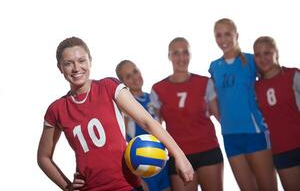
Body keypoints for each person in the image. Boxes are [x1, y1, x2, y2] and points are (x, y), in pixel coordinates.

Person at [37, 37, 194, 191]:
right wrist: (67, 186)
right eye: (68, 63)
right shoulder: (56, 109)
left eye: (81, 60)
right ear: (60, 67)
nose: (76, 68)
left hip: (127, 186)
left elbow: (147, 122)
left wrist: (180, 156)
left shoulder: (108, 87)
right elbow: (43, 157)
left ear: (90, 61)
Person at [208, 18, 278, 191]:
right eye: (218, 35)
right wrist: (223, 120)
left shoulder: (251, 60)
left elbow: (271, 83)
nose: (223, 39)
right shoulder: (214, 66)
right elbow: (213, 99)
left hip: (254, 132)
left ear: (236, 35)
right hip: (230, 136)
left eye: (227, 34)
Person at [150, 37, 224, 191]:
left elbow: (220, 116)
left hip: (207, 150)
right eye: (176, 53)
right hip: (178, 155)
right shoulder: (158, 88)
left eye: (185, 52)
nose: (181, 57)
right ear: (169, 56)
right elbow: (155, 127)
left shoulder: (205, 83)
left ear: (190, 55)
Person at [116, 60, 171, 191]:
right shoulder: (125, 106)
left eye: (135, 71)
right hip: (142, 168)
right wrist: (136, 177)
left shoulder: (152, 98)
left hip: (162, 162)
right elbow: (120, 142)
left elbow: (160, 128)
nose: (135, 77)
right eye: (128, 76)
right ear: (123, 83)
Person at [253, 36, 300, 190]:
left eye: (267, 53)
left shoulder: (293, 75)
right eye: (258, 54)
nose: (262, 58)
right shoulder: (255, 88)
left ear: (276, 53)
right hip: (281, 150)